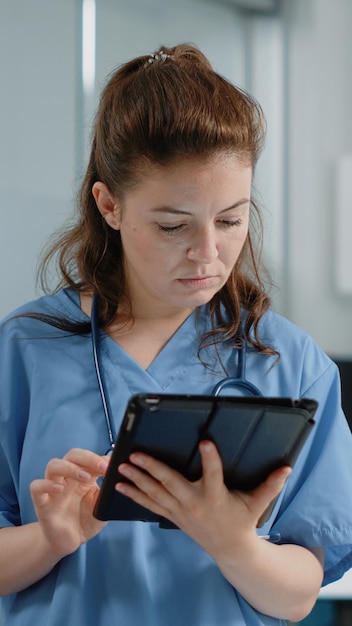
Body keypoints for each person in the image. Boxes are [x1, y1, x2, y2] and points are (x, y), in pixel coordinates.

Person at [0, 43, 352, 626]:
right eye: (172, 226)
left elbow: (297, 596)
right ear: (109, 204)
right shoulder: (24, 350)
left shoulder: (289, 362)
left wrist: (232, 542)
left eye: (231, 219)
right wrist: (50, 539)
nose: (208, 254)